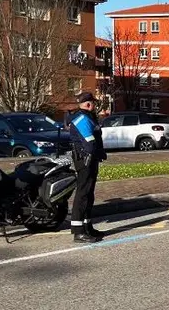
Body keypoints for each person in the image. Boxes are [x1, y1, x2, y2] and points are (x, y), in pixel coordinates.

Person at [66, 92, 107, 243]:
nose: (95, 105)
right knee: (83, 194)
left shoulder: (86, 117)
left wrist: (99, 153)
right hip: (85, 160)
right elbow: (89, 141)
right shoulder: (82, 119)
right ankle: (78, 231)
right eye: (94, 103)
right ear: (89, 104)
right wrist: (93, 153)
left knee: (89, 194)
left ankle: (87, 226)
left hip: (89, 159)